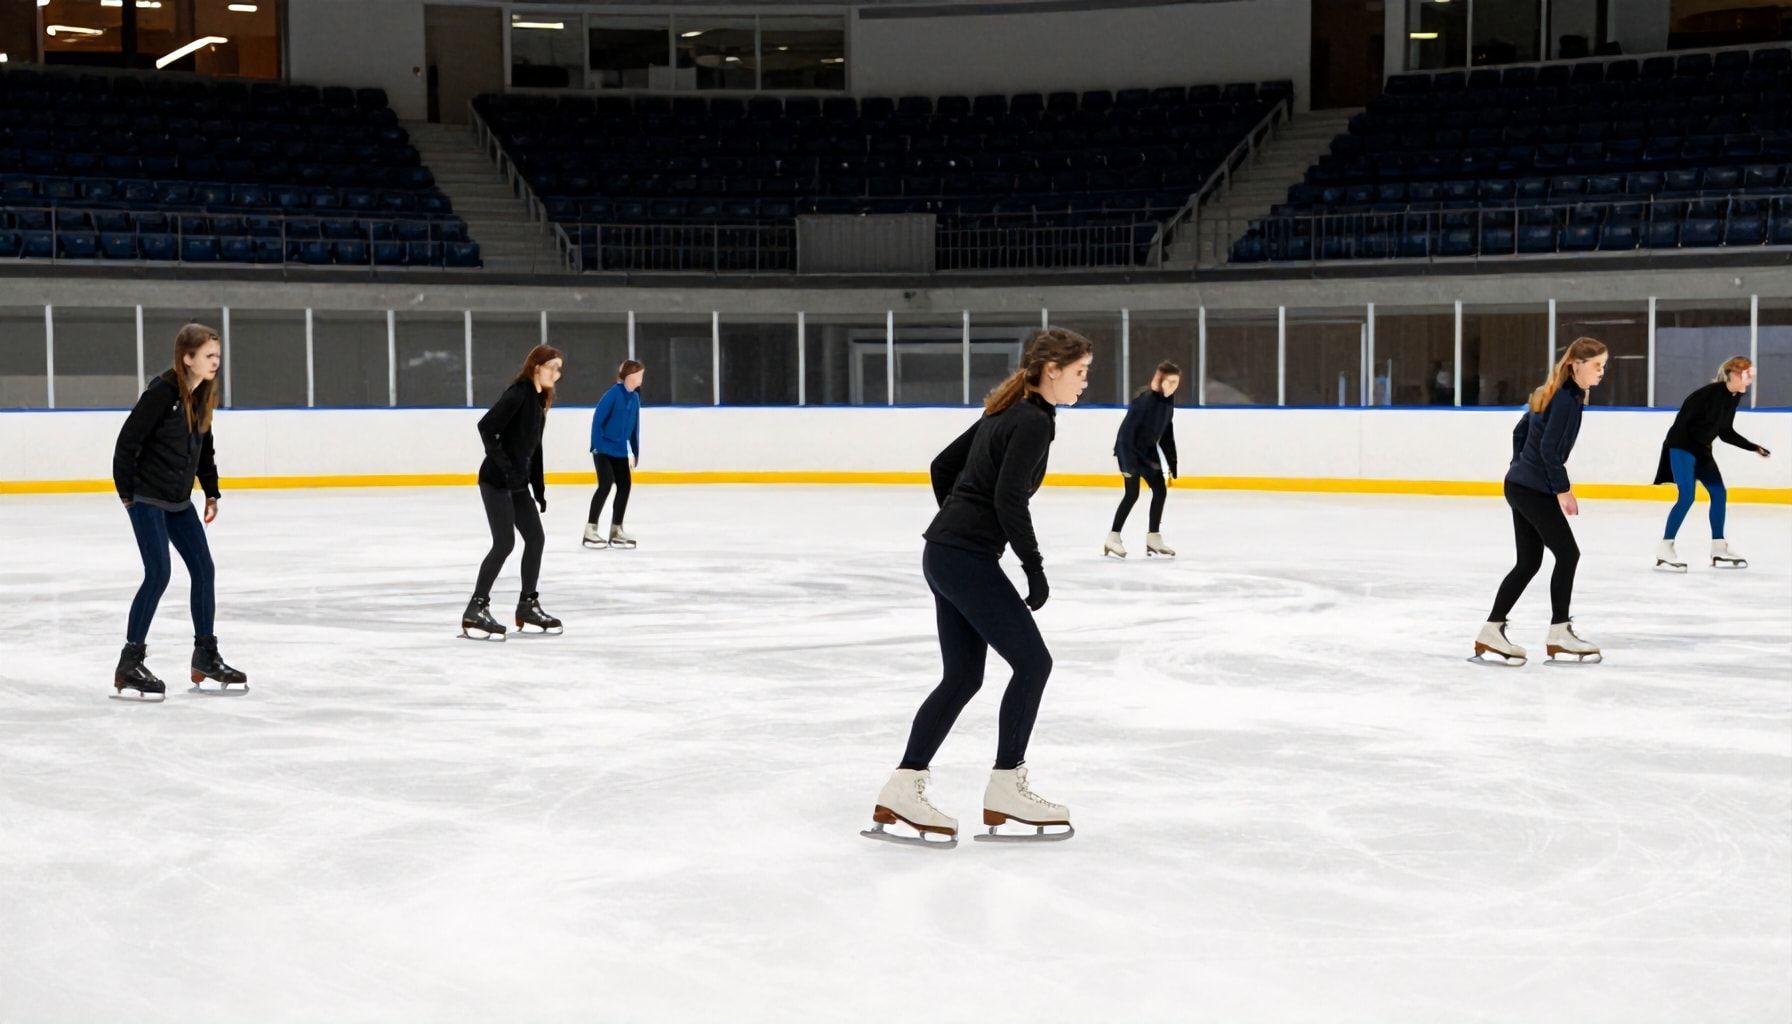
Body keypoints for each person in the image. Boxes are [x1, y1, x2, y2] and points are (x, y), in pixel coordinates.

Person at [862, 327, 1093, 848]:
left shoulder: (1005, 409)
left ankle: (901, 788)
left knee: (964, 677)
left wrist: (959, 522)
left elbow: (942, 467)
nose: (1085, 383)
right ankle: (1007, 788)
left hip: (945, 553)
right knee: (1034, 664)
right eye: (1080, 372)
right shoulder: (1032, 420)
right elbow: (1011, 498)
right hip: (962, 557)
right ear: (1051, 370)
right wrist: (1032, 566)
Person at [110, 323, 247, 701]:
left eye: (217, 356)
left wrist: (212, 491)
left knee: (204, 569)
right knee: (158, 572)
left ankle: (205, 654)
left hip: (178, 499)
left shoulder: (202, 395)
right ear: (187, 358)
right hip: (147, 496)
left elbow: (204, 448)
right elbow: (127, 443)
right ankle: (129, 661)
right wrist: (127, 495)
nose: (216, 362)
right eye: (209, 356)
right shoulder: (162, 392)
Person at [1471, 337, 1608, 666]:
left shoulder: (1554, 392)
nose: (1602, 372)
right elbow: (1547, 449)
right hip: (1533, 489)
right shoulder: (1564, 398)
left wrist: (1519, 468)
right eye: (1597, 366)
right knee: (1568, 554)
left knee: (1529, 562)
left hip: (1521, 484)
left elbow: (1519, 433)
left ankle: (1491, 630)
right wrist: (1562, 489)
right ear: (1577, 365)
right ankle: (1559, 633)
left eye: (1604, 366)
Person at [462, 345, 564, 641]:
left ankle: (528, 605)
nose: (557, 374)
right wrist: (506, 468)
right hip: (496, 480)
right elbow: (486, 427)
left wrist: (539, 486)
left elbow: (535, 446)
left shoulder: (538, 400)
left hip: (518, 483)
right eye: (552, 368)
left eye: (559, 369)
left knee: (535, 538)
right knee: (504, 543)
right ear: (537, 366)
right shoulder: (518, 393)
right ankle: (475, 609)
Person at [1652, 357, 1772, 572]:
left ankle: (1718, 547)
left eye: (1750, 375)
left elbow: (1725, 432)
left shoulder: (1733, 397)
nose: (1749, 380)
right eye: (1746, 375)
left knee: (1719, 494)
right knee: (1687, 496)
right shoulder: (1707, 395)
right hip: (1682, 447)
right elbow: (1681, 424)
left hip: (1701, 451)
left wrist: (1753, 447)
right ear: (1732, 374)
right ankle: (1665, 547)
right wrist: (1685, 453)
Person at [1104, 361, 1181, 558]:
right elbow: (1126, 433)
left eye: (1176, 383)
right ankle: (1113, 538)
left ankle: (1153, 538)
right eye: (1170, 382)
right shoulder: (1144, 400)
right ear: (1159, 380)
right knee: (1132, 494)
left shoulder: (1168, 401)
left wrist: (1172, 463)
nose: (1173, 387)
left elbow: (1166, 434)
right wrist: (1129, 463)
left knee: (1160, 490)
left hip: (1148, 454)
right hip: (1128, 451)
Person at [584, 360, 644, 550]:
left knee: (625, 485)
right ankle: (590, 529)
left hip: (619, 451)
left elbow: (635, 428)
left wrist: (634, 451)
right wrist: (596, 446)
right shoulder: (613, 394)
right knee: (605, 484)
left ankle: (616, 530)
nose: (641, 378)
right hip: (602, 449)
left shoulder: (634, 399)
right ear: (630, 376)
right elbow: (597, 421)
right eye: (639, 375)